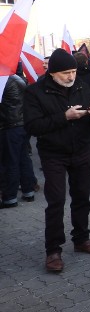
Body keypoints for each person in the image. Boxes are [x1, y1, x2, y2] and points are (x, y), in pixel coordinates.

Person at [23, 48, 90, 272]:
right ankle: (53, 250)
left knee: (82, 198)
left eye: (73, 71)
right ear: (52, 73)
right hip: (53, 154)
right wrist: (64, 117)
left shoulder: (81, 85)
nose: (71, 76)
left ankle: (81, 239)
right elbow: (32, 126)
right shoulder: (35, 92)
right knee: (56, 202)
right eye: (66, 73)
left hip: (80, 151)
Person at [0, 64, 38, 207]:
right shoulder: (18, 79)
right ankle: (28, 191)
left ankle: (10, 197)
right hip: (21, 124)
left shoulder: (5, 81)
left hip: (10, 125)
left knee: (11, 161)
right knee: (23, 159)